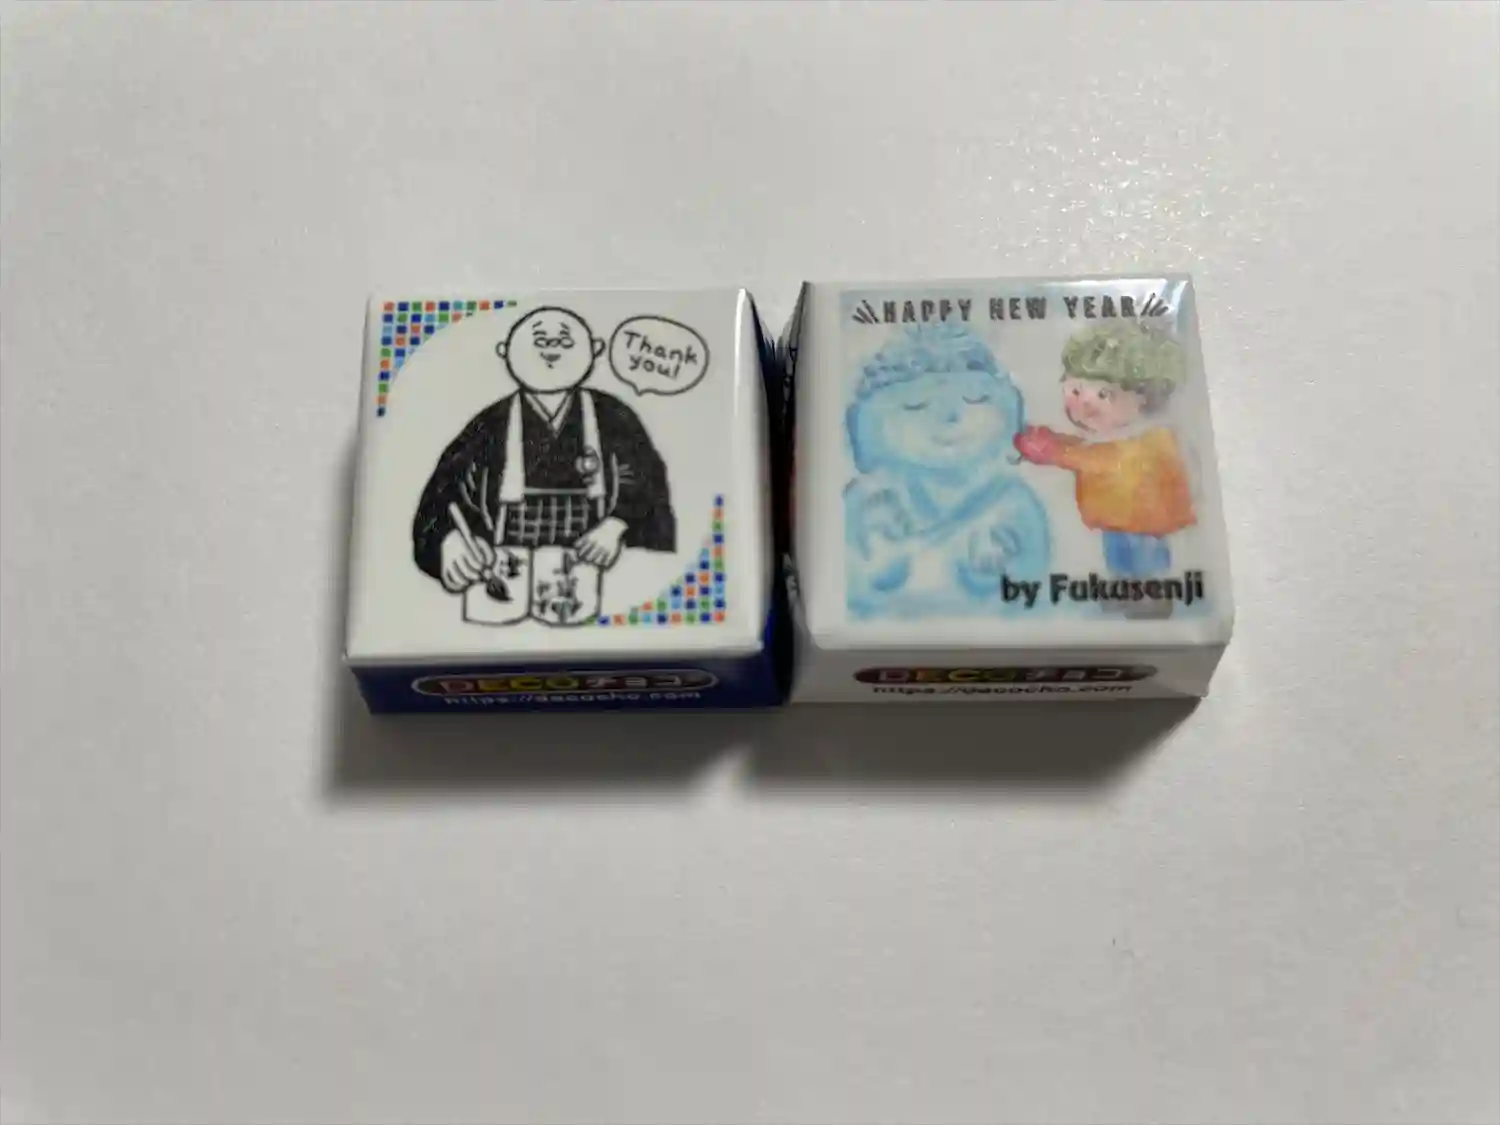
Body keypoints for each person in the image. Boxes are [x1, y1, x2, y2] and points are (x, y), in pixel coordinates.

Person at [413, 306, 675, 595]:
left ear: (595, 349)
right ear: (505, 352)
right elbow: (444, 495)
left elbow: (648, 485)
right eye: (537, 341)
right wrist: (448, 543)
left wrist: (617, 524)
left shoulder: (614, 418)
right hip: (509, 580)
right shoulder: (488, 426)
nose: (551, 349)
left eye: (564, 341)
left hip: (597, 578)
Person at [844, 322, 1049, 618]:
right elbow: (850, 587)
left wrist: (992, 571)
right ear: (872, 424)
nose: (950, 417)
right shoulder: (869, 500)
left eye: (975, 399)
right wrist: (882, 563)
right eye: (915, 405)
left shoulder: (1011, 502)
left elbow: (1031, 586)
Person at [1014, 322, 1195, 615]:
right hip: (1116, 517)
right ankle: (1125, 590)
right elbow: (1088, 450)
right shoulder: (1112, 434)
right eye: (1076, 390)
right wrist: (1051, 441)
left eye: (1104, 395)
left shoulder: (1148, 437)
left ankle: (1153, 595)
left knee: (1144, 559)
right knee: (1119, 557)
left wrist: (1054, 451)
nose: (1086, 405)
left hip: (1143, 520)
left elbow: (1101, 460)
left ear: (1143, 397)